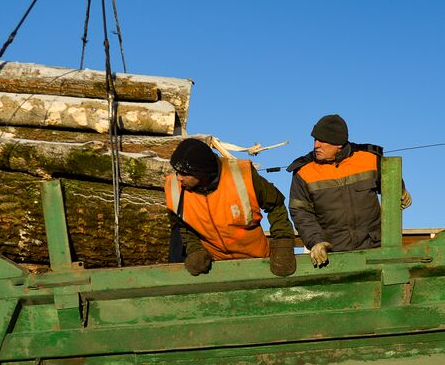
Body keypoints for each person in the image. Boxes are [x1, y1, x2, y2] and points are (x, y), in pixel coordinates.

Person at [287, 114, 411, 267]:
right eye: (315, 140)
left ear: (338, 143)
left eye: (322, 140)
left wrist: (401, 189)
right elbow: (301, 213)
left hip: (376, 250)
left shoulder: (369, 159)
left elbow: (391, 183)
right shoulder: (303, 172)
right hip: (333, 257)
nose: (316, 145)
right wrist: (316, 242)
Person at [165, 138, 296, 277]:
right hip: (214, 269)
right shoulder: (174, 188)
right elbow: (183, 227)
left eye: (184, 173)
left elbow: (276, 205)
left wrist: (283, 242)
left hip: (257, 262)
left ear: (201, 172)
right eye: (177, 172)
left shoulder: (242, 174)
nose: (178, 178)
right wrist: (195, 250)